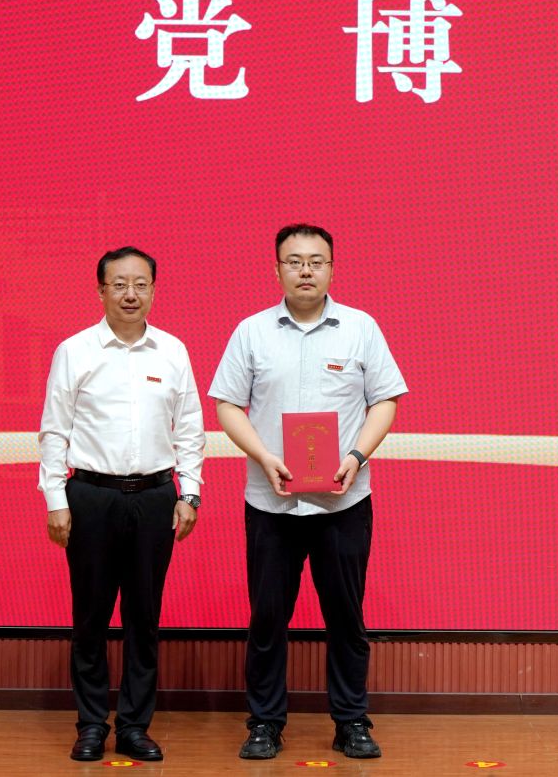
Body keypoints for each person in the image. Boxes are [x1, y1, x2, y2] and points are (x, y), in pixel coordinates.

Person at [210, 224, 407, 762]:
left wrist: (356, 456)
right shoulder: (251, 332)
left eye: (316, 261)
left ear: (331, 269)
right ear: (276, 269)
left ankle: (351, 721)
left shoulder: (361, 328)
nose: (305, 271)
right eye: (294, 261)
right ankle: (264, 723)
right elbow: (227, 403)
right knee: (268, 619)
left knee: (346, 617)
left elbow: (386, 399)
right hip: (270, 501)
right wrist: (263, 456)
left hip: (343, 501)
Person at [39, 246, 205, 763]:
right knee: (90, 617)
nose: (130, 294)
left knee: (144, 617)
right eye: (119, 284)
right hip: (91, 496)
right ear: (101, 291)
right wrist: (55, 498)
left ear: (153, 289)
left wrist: (190, 492)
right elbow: (54, 429)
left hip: (155, 497)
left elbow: (190, 429)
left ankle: (134, 726)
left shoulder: (172, 351)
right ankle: (91, 725)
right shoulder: (75, 350)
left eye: (140, 284)